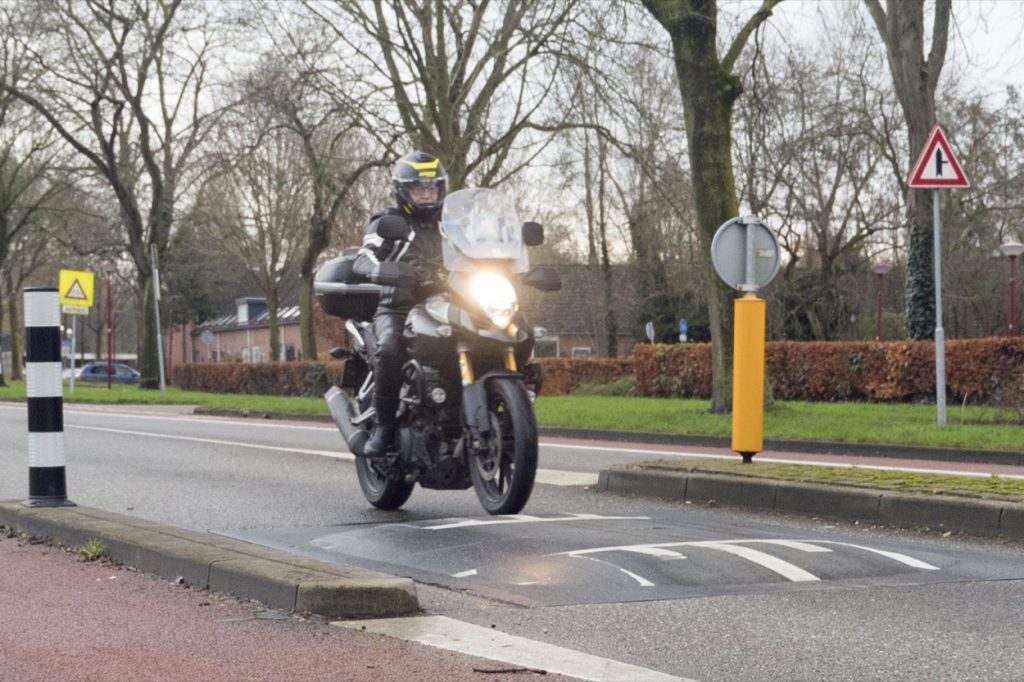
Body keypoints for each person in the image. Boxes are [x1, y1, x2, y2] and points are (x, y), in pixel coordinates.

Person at [353, 151, 447, 457]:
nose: (427, 194)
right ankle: (384, 428)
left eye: (432, 187)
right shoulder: (390, 222)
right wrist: (378, 268)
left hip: (447, 305)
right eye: (419, 188)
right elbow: (364, 257)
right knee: (391, 347)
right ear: (403, 191)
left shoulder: (452, 224)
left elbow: (484, 247)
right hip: (398, 306)